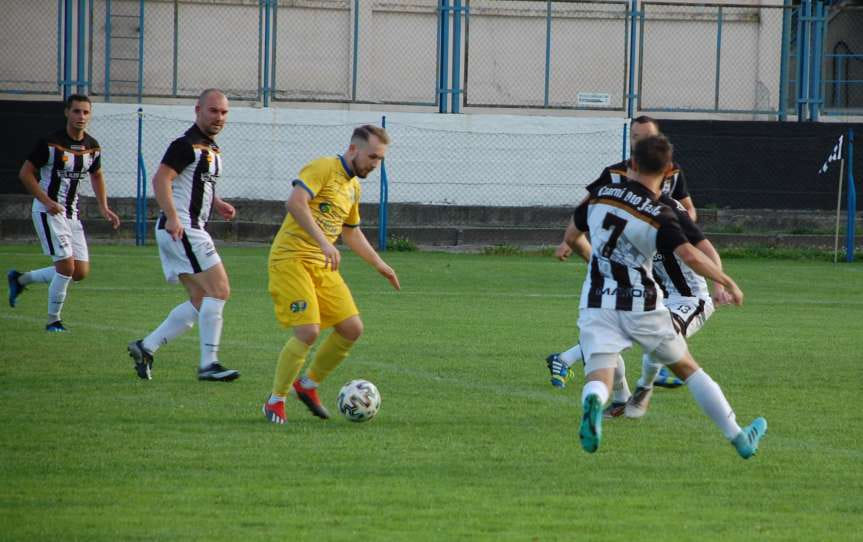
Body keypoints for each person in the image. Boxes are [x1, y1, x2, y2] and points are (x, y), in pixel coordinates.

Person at [571, 134, 766, 458]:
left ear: (631, 164)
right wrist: (727, 281)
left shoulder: (599, 194)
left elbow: (572, 238)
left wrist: (602, 266)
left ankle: (593, 402)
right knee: (689, 370)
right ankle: (739, 438)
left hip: (596, 300)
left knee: (599, 373)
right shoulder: (659, 212)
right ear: (669, 171)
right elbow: (691, 256)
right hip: (640, 304)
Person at [262, 125, 400, 425]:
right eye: (372, 157)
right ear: (353, 149)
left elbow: (350, 232)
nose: (375, 165)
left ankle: (308, 385)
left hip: (322, 265)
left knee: (352, 328)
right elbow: (295, 202)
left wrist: (380, 265)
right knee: (308, 331)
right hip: (291, 259)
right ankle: (276, 401)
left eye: (380, 160)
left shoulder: (353, 187)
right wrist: (324, 242)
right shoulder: (323, 167)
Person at [548, 116, 697, 390]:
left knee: (635, 317)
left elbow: (688, 208)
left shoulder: (672, 172)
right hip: (622, 258)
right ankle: (653, 367)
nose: (641, 140)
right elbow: (587, 206)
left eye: (647, 135)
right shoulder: (615, 173)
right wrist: (569, 240)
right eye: (637, 136)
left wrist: (680, 235)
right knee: (626, 318)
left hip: (656, 255)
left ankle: (645, 373)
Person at [127, 89, 240, 382]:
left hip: (187, 227)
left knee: (202, 300)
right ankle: (208, 364)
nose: (219, 117)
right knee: (221, 290)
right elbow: (161, 179)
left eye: (224, 112)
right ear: (198, 109)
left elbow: (197, 184)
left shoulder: (211, 149)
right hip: (183, 228)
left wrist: (217, 202)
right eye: (213, 111)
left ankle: (146, 346)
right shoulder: (185, 144)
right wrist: (174, 217)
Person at [7, 94, 120, 331]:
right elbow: (25, 174)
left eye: (86, 112)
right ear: (67, 112)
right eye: (77, 111)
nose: (81, 116)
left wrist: (104, 206)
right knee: (66, 268)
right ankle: (53, 320)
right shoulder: (50, 143)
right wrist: (46, 201)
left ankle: (20, 279)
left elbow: (97, 175)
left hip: (72, 214)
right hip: (48, 212)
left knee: (79, 272)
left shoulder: (92, 146)